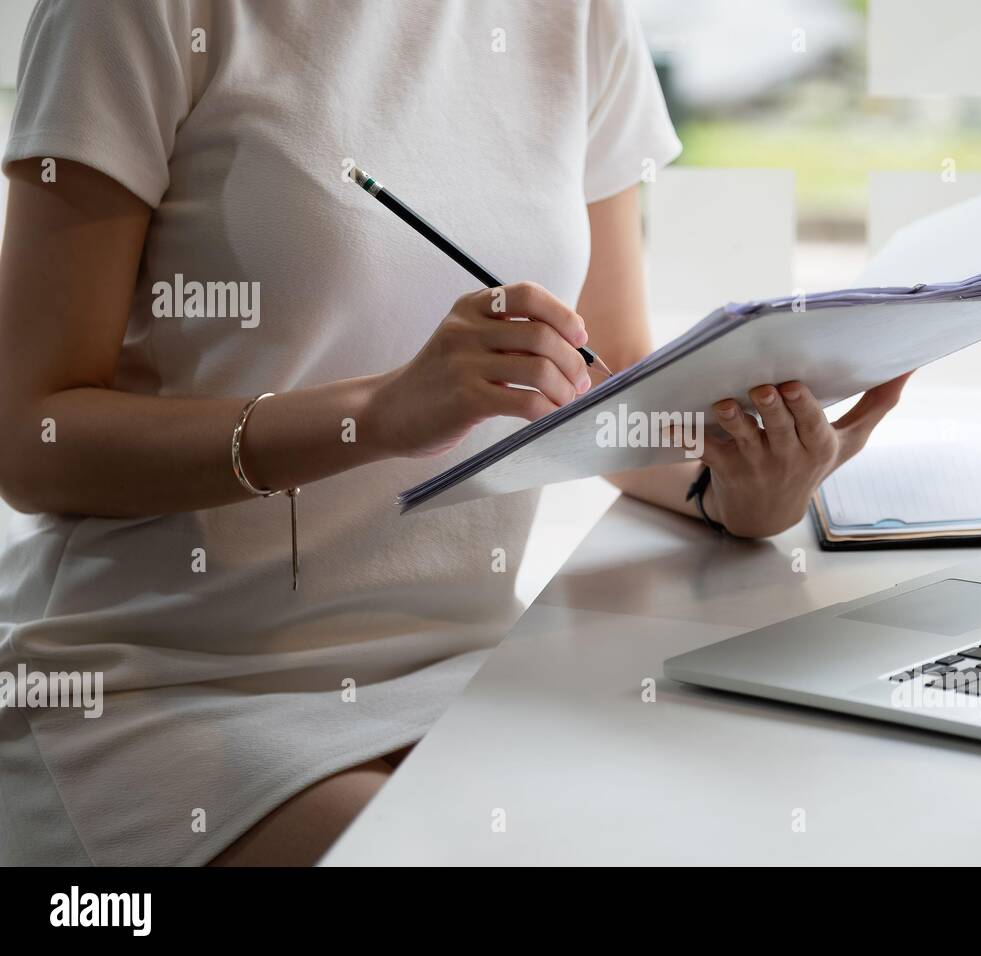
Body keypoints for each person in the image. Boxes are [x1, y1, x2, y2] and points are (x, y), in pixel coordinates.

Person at [0, 0, 908, 866]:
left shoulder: (581, 16)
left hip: (464, 665)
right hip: (163, 680)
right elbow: (29, 440)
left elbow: (609, 379)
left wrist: (737, 487)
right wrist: (378, 414)